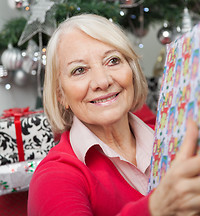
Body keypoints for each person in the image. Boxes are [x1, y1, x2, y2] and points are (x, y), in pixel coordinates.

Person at [28, 14, 200, 216]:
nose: (102, 81)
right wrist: (155, 209)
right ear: (61, 95)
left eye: (113, 60)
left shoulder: (176, 140)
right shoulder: (54, 177)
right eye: (79, 70)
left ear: (132, 70)